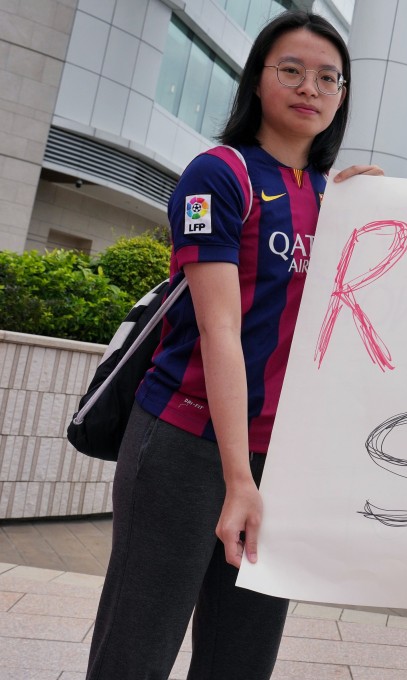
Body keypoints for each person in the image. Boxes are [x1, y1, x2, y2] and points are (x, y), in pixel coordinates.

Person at [86, 11, 382, 680]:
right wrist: (239, 479)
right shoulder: (217, 175)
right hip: (183, 442)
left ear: (342, 97)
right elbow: (220, 330)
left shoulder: (341, 201)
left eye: (329, 78)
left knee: (241, 658)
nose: (311, 87)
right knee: (137, 647)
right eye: (292, 70)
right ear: (257, 80)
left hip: (279, 457)